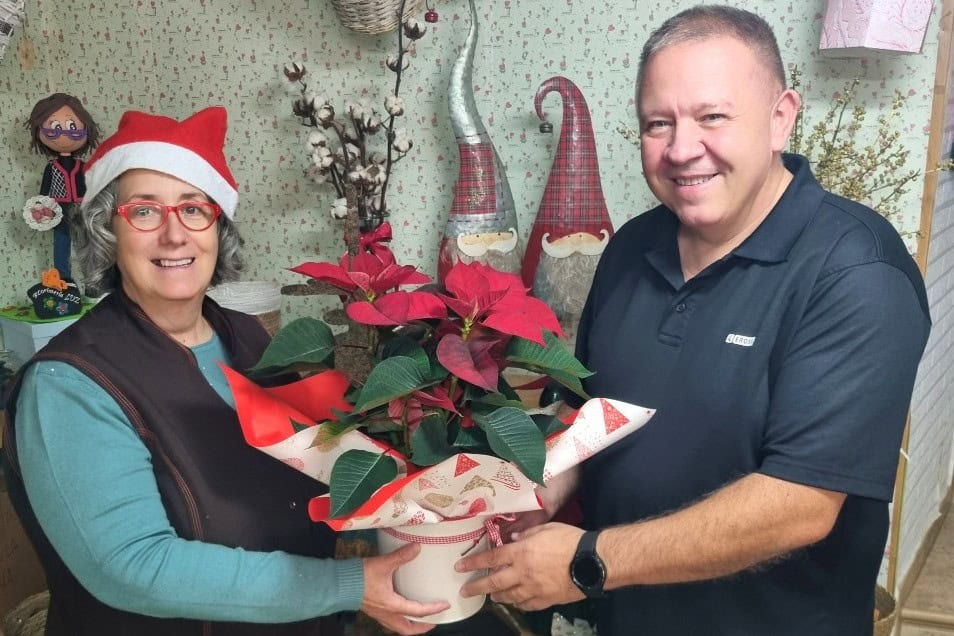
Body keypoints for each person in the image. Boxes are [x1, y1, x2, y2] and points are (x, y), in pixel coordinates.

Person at [456, 6, 932, 635]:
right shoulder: (628, 249)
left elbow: (799, 504)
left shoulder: (857, 273)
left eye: (712, 117)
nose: (682, 149)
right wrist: (543, 490)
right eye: (659, 123)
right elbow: (594, 410)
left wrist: (587, 562)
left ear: (780, 117)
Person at [1, 106, 448, 636]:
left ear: (219, 229)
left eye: (194, 209)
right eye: (144, 212)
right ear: (107, 232)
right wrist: (346, 586)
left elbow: (315, 462)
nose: (174, 235)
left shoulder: (247, 336)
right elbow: (133, 569)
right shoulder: (68, 384)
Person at [25, 93, 101, 280]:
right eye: (55, 127)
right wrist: (41, 209)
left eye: (72, 126)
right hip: (58, 210)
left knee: (87, 247)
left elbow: (91, 189)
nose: (64, 134)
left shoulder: (83, 167)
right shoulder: (51, 168)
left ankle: (92, 285)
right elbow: (44, 193)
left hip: (82, 210)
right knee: (61, 247)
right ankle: (65, 285)